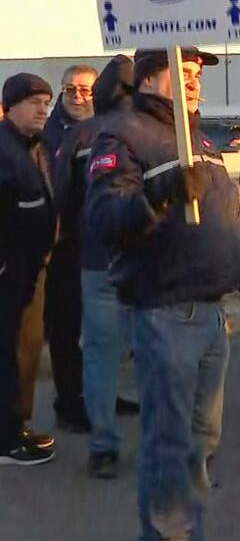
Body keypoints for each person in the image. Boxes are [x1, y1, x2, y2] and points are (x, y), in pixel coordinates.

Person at [85, 47, 240, 538]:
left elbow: (230, 219)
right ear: (149, 78)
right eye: (182, 71)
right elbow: (103, 221)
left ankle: (185, 527)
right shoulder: (122, 135)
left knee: (202, 441)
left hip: (213, 318)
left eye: (197, 74)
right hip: (166, 314)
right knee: (169, 446)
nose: (195, 81)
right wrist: (158, 194)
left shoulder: (201, 139)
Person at [53, 55, 138, 477]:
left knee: (103, 353)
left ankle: (104, 443)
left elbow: (60, 197)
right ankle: (164, 441)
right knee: (149, 350)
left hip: (98, 258)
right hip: (136, 260)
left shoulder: (81, 135)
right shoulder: (154, 130)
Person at [0, 73, 58, 466]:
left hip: (26, 271)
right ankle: (6, 442)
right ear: (10, 106)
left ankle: (13, 428)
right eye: (34, 101)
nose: (43, 108)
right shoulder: (4, 152)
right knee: (4, 355)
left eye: (46, 102)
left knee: (15, 354)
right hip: (9, 273)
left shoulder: (31, 147)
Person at [40, 64, 99, 435]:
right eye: (71, 90)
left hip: (101, 242)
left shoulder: (105, 126)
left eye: (86, 90)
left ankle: (99, 394)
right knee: (66, 326)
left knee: (100, 327)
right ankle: (69, 401)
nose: (78, 97)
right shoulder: (49, 135)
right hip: (65, 244)